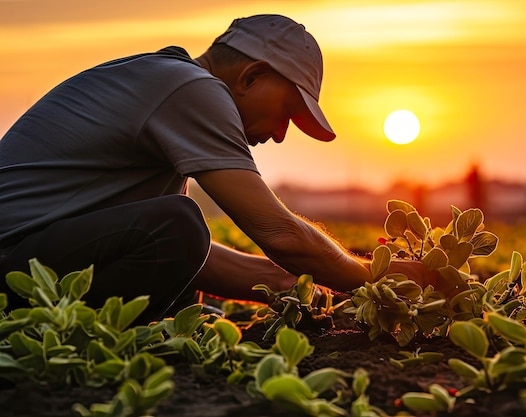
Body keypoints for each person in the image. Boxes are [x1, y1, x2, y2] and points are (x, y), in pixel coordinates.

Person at [0, 14, 438, 323]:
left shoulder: (167, 86)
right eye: (287, 110)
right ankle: (69, 334)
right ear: (251, 76)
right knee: (179, 223)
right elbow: (279, 234)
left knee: (178, 241)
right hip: (12, 259)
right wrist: (376, 277)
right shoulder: (192, 90)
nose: (282, 134)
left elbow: (186, 256)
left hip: (29, 255)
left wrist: (290, 285)